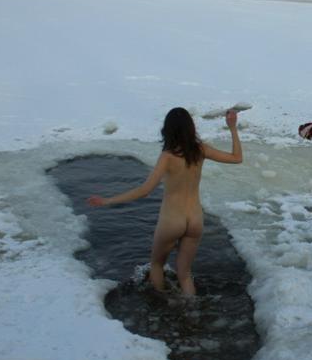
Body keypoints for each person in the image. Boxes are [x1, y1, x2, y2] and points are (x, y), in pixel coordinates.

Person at [88, 107, 243, 295]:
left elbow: (145, 191)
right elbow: (237, 158)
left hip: (172, 220)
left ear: (167, 129)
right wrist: (232, 128)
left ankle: (160, 305)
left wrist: (107, 201)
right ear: (190, 128)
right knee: (185, 274)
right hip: (195, 219)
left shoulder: (168, 157)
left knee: (156, 265)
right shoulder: (200, 150)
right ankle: (191, 310)